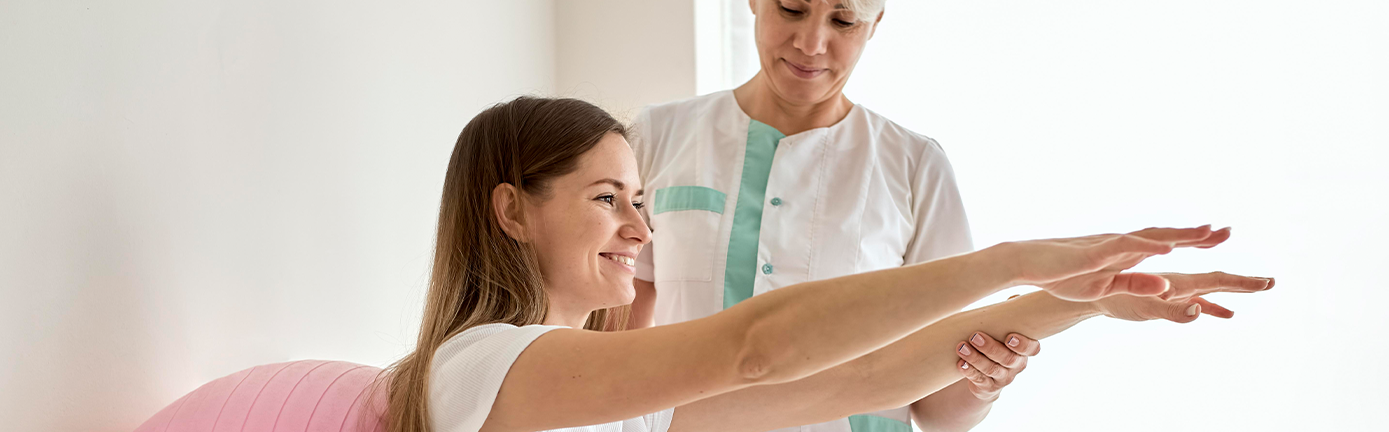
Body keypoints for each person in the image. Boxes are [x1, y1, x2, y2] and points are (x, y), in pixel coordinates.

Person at [382, 96, 1273, 432]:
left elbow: (864, 379)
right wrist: (1011, 261)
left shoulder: (622, 415)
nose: (640, 232)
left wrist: (1076, 302)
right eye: (607, 199)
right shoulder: (481, 366)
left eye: (643, 201)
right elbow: (757, 346)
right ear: (510, 211)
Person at [623, 1, 1263, 430]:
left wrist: (988, 377)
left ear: (877, 23)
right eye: (792, 6)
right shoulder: (657, 136)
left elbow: (939, 409)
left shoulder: (913, 164)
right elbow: (619, 334)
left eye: (844, 19)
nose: (811, 41)